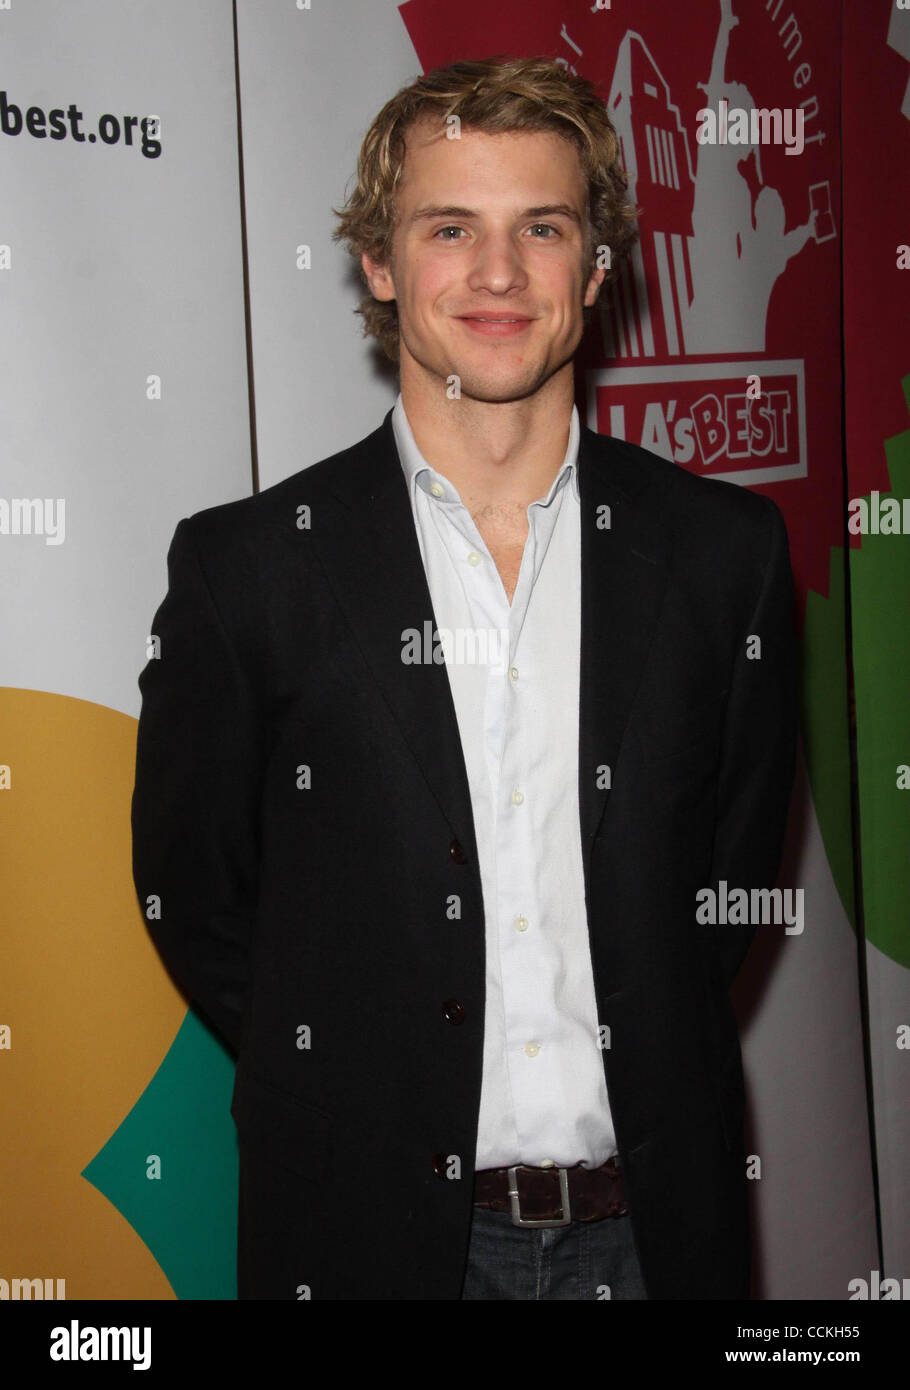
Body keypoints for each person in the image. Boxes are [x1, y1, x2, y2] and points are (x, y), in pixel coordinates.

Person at [131, 55, 798, 1301]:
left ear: (595, 269)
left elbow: (722, 882)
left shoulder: (723, 556)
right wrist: (360, 1080)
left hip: (658, 1232)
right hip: (367, 1238)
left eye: (540, 228)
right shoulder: (250, 570)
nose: (497, 275)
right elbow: (195, 893)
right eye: (450, 229)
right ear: (380, 265)